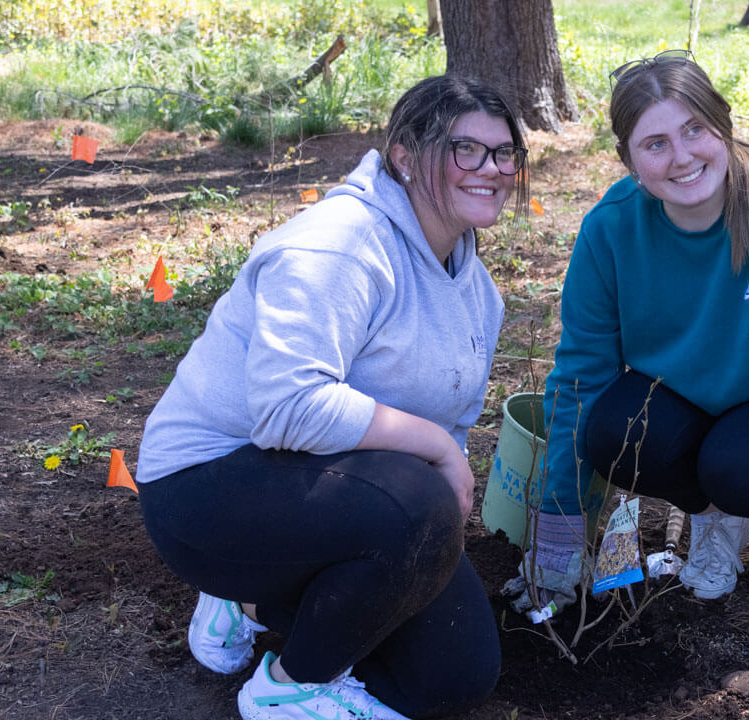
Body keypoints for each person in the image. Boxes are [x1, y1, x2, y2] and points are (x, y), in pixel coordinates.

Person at [135, 74, 529, 720]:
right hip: (204, 486)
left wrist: (427, 538)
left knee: (458, 671)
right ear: (404, 155)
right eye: (465, 149)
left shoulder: (479, 294)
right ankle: (290, 686)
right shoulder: (342, 242)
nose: (489, 168)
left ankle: (257, 604)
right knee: (419, 508)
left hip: (326, 493)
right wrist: (436, 456)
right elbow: (286, 407)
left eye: (503, 152)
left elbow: (449, 426)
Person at [503, 51, 749, 658]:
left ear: (724, 126)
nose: (682, 157)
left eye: (694, 130)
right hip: (689, 387)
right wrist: (561, 523)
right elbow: (580, 377)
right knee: (611, 431)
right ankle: (715, 514)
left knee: (746, 470)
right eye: (655, 142)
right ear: (629, 162)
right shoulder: (610, 230)